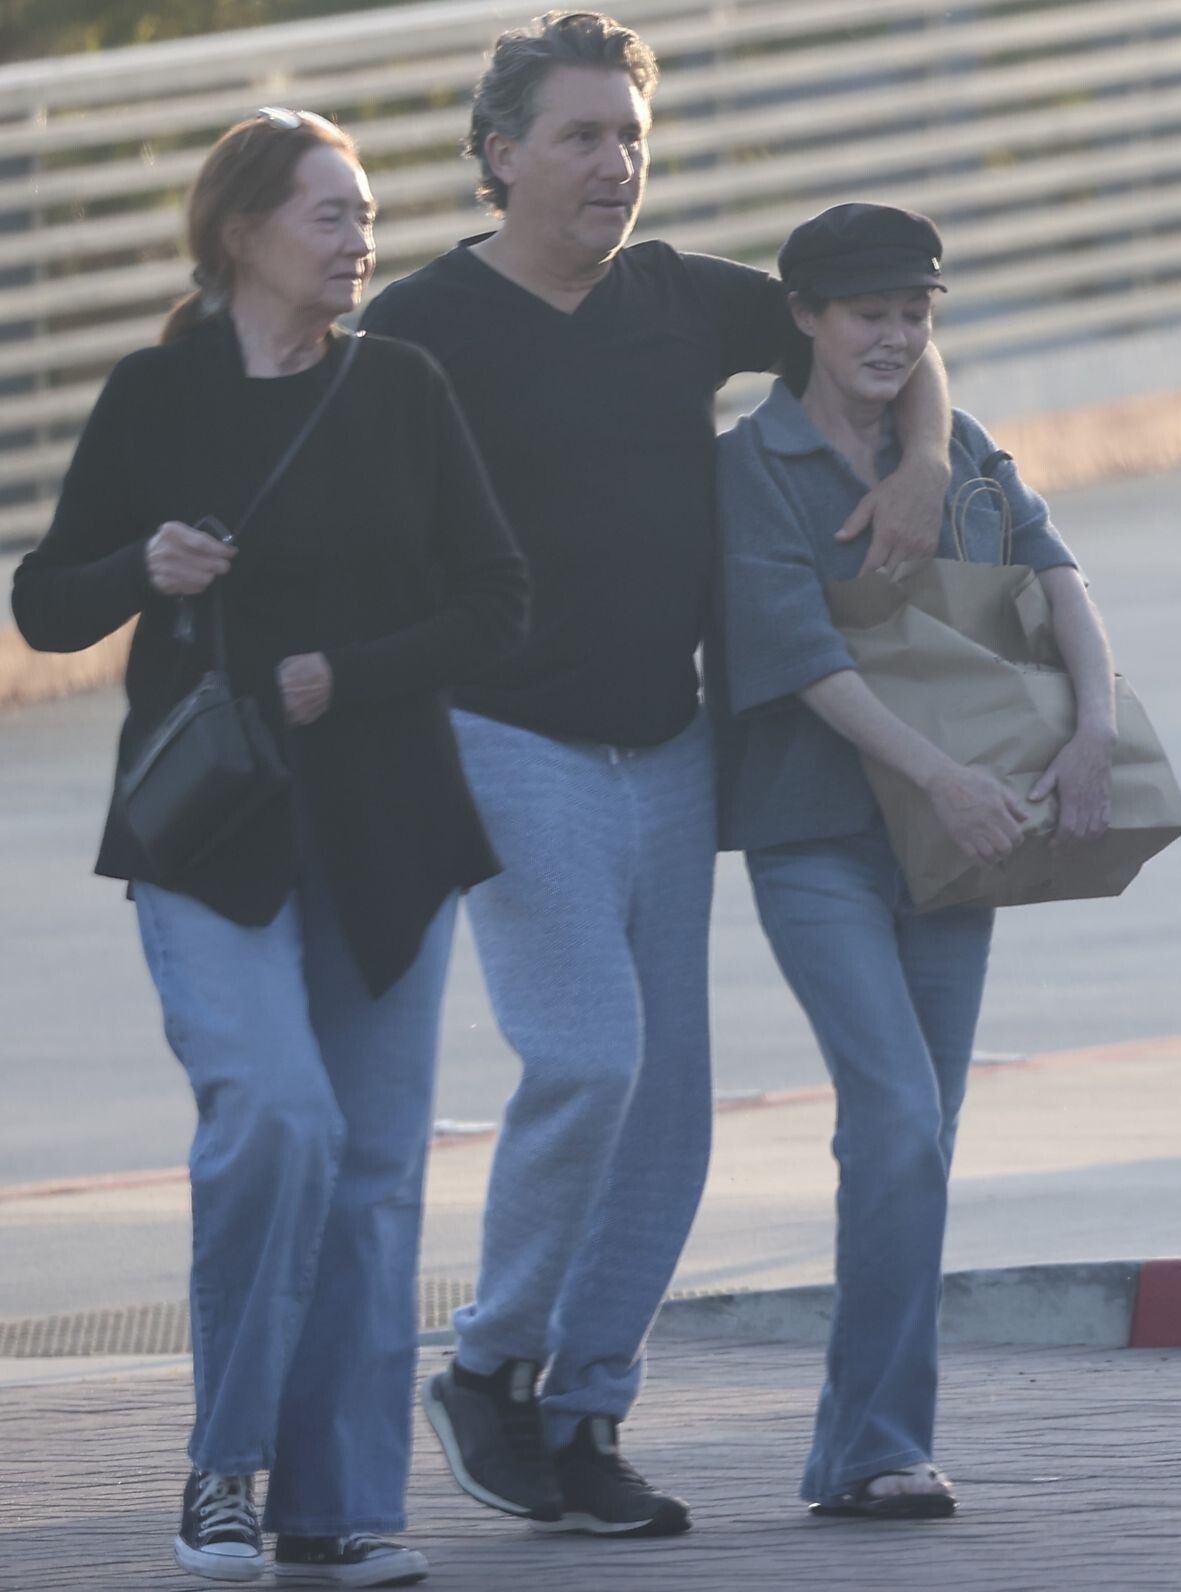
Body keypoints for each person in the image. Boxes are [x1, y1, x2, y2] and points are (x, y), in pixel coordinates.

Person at [359, 10, 956, 1538]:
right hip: (506, 740)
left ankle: (586, 1412)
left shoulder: (684, 297)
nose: (614, 164)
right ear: (501, 155)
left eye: (630, 135)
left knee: (674, 1107)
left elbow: (880, 324)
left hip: (671, 747)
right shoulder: (420, 327)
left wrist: (928, 458)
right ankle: (488, 1363)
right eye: (581, 136)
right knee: (590, 1061)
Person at [11, 109, 527, 1586]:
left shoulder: (402, 386)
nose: (360, 239)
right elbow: (46, 602)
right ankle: (221, 1473)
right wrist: (143, 565)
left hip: (389, 832)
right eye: (329, 215)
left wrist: (344, 676)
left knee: (371, 1176)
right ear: (242, 234)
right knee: (277, 1120)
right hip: (209, 832)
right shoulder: (154, 393)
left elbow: (498, 602)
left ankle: (340, 1508)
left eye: (365, 213)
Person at [711, 201, 1117, 1518]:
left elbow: (1058, 577)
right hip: (820, 840)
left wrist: (1095, 732)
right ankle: (883, 1445)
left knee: (918, 1141)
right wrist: (944, 775)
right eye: (867, 314)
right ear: (805, 319)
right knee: (893, 1120)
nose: (893, 337)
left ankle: (859, 1451)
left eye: (913, 314)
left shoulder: (957, 447)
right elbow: (800, 659)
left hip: (956, 847)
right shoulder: (751, 464)